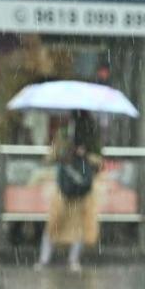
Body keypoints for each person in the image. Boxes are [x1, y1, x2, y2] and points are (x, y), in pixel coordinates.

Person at [35, 110, 102, 272]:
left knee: (77, 224)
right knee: (55, 222)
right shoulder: (63, 135)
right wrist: (64, 152)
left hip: (81, 189)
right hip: (65, 186)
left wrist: (85, 155)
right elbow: (51, 156)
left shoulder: (91, 137)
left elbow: (99, 163)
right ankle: (46, 258)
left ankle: (71, 259)